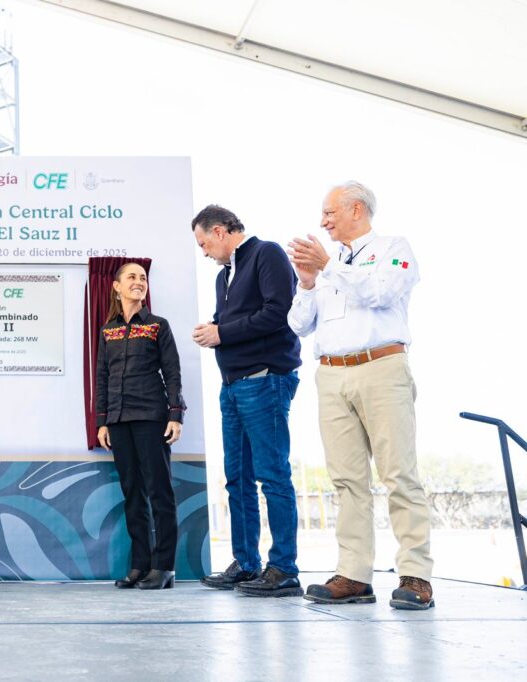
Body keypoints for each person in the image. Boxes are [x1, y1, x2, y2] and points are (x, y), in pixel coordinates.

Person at [288, 181, 434, 610]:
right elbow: (299, 325)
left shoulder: (394, 248)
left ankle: (416, 575)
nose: (323, 222)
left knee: (399, 474)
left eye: (329, 212)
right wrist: (307, 283)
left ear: (356, 209)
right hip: (332, 374)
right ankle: (353, 575)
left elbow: (379, 293)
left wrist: (328, 266)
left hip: (381, 367)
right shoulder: (327, 267)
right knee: (346, 480)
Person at [191, 205, 304, 598]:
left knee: (272, 475)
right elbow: (233, 322)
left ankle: (284, 568)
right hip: (232, 386)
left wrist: (222, 333)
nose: (204, 252)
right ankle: (246, 563)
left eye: (204, 243)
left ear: (220, 231)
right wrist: (213, 329)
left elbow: (279, 313)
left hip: (265, 380)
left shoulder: (266, 253)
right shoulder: (223, 276)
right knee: (237, 478)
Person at [95, 262, 184, 590]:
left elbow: (172, 372)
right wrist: (102, 421)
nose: (139, 282)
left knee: (159, 492)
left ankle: (164, 567)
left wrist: (176, 414)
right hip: (118, 420)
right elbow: (102, 377)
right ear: (116, 287)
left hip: (151, 416)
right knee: (132, 493)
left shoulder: (158, 325)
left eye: (143, 277)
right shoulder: (108, 331)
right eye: (131, 277)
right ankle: (140, 565)